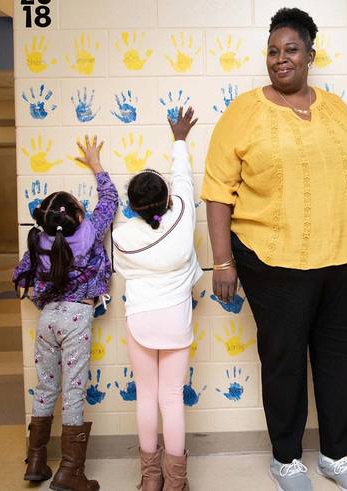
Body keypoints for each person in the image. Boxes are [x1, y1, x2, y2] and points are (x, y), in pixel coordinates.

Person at [201, 7, 347, 491]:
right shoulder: (243, 111)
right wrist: (222, 260)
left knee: (343, 358)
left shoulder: (338, 108)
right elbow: (218, 190)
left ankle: (336, 456)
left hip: (345, 257)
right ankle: (286, 458)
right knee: (285, 360)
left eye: (290, 50)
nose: (280, 59)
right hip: (271, 260)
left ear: (311, 54)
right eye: (272, 51)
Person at [14, 136, 118, 491]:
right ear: (76, 216)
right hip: (77, 318)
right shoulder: (90, 232)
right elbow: (109, 201)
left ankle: (37, 461)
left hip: (48, 320)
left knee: (45, 388)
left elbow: (23, 280)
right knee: (73, 391)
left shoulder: (38, 243)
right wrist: (96, 165)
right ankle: (70, 472)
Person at [112, 107, 201, 491]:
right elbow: (183, 179)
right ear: (167, 200)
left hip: (141, 321)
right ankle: (177, 483)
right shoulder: (182, 216)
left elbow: (122, 272)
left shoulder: (120, 236)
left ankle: (150, 481)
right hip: (176, 321)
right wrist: (179, 139)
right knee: (171, 397)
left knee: (146, 396)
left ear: (131, 206)